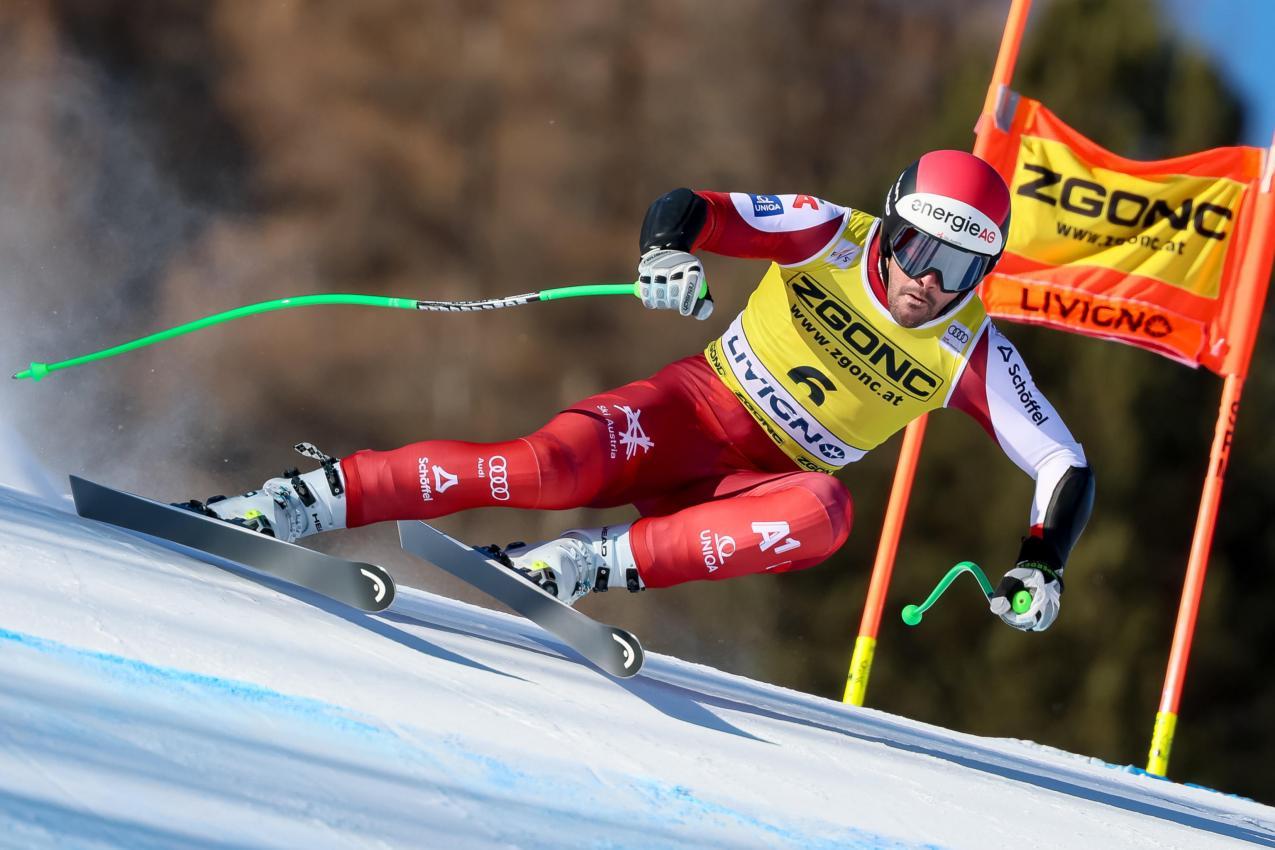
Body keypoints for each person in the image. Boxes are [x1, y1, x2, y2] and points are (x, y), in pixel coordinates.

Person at [195, 149, 1094, 632]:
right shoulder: (833, 235)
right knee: (545, 469)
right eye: (916, 249)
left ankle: (584, 565)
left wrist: (1040, 563)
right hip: (691, 410)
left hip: (751, 485)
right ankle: (293, 503)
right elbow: (692, 204)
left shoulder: (967, 349)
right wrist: (667, 252)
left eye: (957, 266)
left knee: (824, 514)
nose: (925, 282)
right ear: (891, 225)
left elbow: (1061, 461)